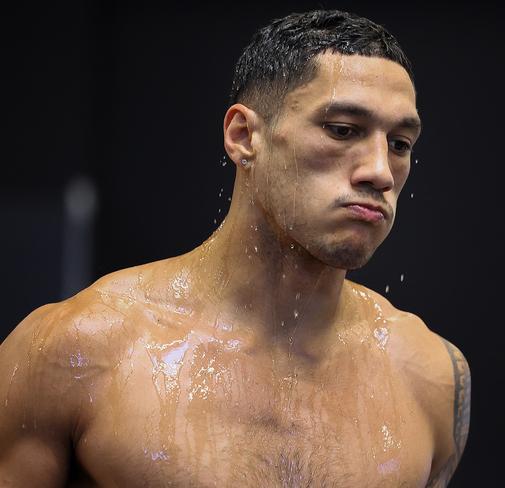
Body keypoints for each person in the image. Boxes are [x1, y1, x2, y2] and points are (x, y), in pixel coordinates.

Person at [0, 9, 470, 487]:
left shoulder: (429, 374)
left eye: (400, 142)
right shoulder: (77, 351)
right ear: (244, 136)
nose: (380, 172)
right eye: (343, 129)